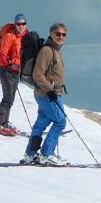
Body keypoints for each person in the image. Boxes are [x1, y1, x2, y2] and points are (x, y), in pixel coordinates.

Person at [22, 22, 68, 165]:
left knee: (42, 122)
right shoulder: (47, 51)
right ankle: (46, 154)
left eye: (63, 34)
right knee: (60, 122)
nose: (60, 36)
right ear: (51, 34)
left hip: (47, 93)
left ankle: (30, 154)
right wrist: (50, 89)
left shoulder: (56, 50)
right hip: (48, 94)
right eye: (57, 34)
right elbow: (38, 74)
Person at [0, 14, 31, 136]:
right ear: (15, 24)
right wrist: (10, 66)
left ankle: (4, 122)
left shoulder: (23, 37)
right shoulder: (9, 36)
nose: (21, 26)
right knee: (7, 99)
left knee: (10, 99)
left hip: (16, 71)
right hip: (7, 71)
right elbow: (2, 55)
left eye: (23, 23)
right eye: (18, 24)